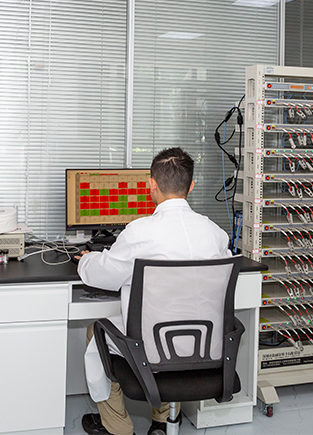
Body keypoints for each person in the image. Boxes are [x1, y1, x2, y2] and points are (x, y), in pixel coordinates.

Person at [75, 147, 232, 435]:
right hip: (204, 346)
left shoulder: (139, 233)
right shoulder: (215, 234)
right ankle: (163, 420)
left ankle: (117, 428)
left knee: (94, 332)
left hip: (151, 348)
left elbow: (101, 275)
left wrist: (86, 259)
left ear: (152, 185)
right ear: (191, 186)